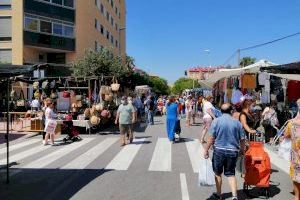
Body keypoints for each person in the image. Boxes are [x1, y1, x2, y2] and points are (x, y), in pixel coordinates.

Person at [204, 103, 245, 200]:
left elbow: (211, 138)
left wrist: (206, 150)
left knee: (218, 173)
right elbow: (242, 139)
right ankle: (234, 196)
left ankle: (218, 195)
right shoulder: (237, 123)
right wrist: (242, 150)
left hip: (219, 151)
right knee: (231, 174)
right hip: (233, 151)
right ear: (231, 111)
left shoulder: (216, 121)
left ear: (221, 111)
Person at [284, 98, 300, 200]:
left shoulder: (291, 123)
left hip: (296, 156)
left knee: (296, 176)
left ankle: (297, 196)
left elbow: (286, 136)